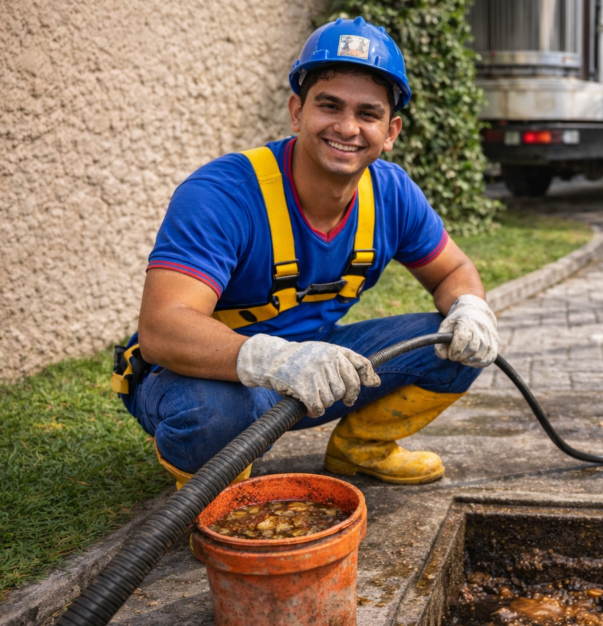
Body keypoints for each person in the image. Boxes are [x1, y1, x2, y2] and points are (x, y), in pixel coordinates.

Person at [112, 17, 498, 488]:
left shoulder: (392, 194)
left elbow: (452, 270)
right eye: (329, 105)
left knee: (452, 342)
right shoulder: (224, 192)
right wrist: (278, 362)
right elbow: (163, 328)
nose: (347, 127)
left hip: (315, 371)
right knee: (218, 414)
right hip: (199, 380)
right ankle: (216, 492)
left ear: (390, 130)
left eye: (368, 113)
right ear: (297, 111)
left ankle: (361, 448)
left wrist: (471, 307)